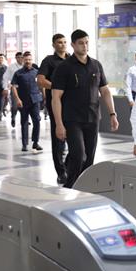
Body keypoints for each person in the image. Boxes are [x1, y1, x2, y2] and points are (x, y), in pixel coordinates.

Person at [51, 30, 118, 188]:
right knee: (78, 155)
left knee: (89, 159)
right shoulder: (64, 67)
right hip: (72, 119)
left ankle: (84, 188)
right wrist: (59, 124)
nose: (85, 46)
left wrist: (113, 114)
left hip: (93, 118)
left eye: (87, 42)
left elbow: (105, 91)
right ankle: (70, 187)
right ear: (73, 45)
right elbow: (56, 98)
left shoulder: (96, 65)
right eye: (81, 43)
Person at [37, 33, 70, 183]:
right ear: (54, 45)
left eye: (64, 42)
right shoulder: (49, 61)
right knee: (59, 137)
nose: (62, 45)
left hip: (73, 103)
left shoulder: (72, 59)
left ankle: (69, 166)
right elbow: (41, 80)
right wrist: (58, 87)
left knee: (75, 137)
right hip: (56, 103)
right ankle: (61, 171)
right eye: (59, 42)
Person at [11, 52, 43, 153]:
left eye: (29, 60)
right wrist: (17, 99)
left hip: (35, 100)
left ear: (32, 60)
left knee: (37, 121)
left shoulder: (37, 72)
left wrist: (44, 97)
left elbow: (41, 85)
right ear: (23, 60)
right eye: (26, 60)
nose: (28, 62)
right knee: (24, 122)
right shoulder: (18, 73)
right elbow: (14, 87)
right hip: (23, 101)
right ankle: (24, 144)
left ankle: (35, 142)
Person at [3, 52, 23, 128]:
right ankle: (13, 117)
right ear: (16, 58)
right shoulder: (11, 67)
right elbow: (5, 77)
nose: (20, 59)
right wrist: (5, 88)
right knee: (15, 106)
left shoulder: (25, 66)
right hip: (15, 88)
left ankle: (24, 119)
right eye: (19, 57)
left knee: (24, 106)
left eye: (22, 57)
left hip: (25, 89)